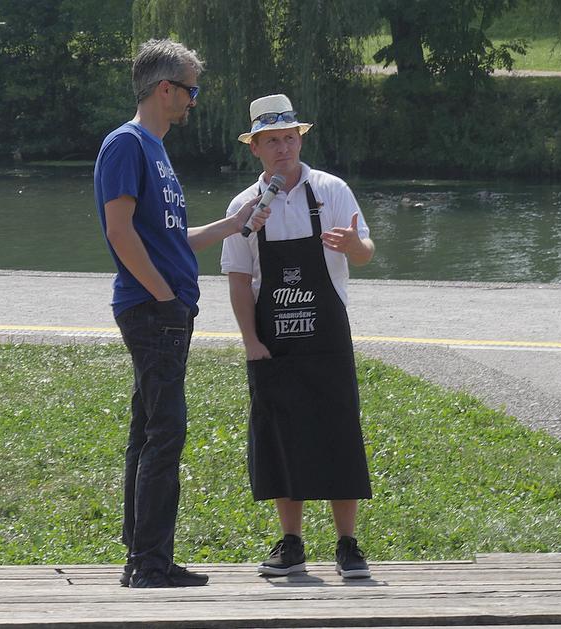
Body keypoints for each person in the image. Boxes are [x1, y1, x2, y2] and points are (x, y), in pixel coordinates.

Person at [93, 39, 266, 589]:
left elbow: (169, 239)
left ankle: (141, 558)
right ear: (165, 89)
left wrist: (233, 224)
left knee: (148, 430)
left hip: (164, 307)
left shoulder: (156, 151)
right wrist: (165, 297)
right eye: (191, 89)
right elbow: (119, 232)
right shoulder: (127, 145)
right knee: (166, 432)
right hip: (153, 310)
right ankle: (150, 564)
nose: (194, 99)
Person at [220, 94, 376, 579]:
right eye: (272, 141)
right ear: (255, 148)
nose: (283, 148)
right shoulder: (243, 207)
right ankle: (291, 543)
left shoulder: (331, 190)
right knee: (279, 438)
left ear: (300, 140)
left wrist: (354, 245)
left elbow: (366, 252)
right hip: (273, 343)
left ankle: (348, 544)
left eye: (290, 138)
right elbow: (238, 280)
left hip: (328, 339)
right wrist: (250, 341)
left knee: (338, 433)